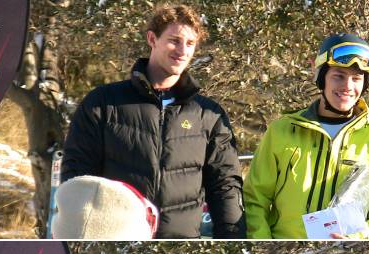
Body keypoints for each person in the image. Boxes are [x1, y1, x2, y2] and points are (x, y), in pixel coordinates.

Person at [61, 4, 245, 239]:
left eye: (190, 44)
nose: (182, 50)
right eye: (174, 40)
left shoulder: (208, 114)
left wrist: (230, 240)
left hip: (182, 245)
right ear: (152, 38)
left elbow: (225, 187)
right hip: (118, 241)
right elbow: (77, 177)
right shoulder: (102, 102)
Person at [243, 33, 369, 239]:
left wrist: (358, 239)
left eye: (356, 79)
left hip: (343, 253)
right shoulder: (281, 132)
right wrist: (263, 242)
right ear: (322, 78)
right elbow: (254, 200)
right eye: (338, 76)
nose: (347, 86)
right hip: (288, 250)